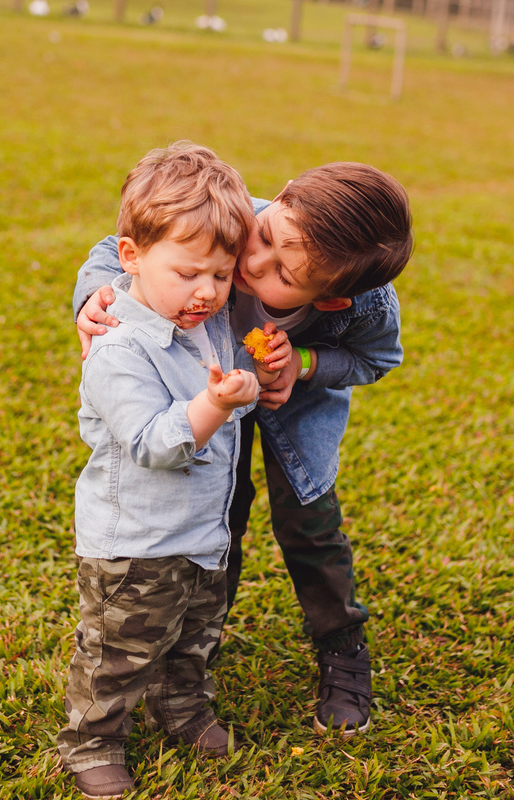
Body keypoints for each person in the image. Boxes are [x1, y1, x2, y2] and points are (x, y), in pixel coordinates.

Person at [74, 161, 413, 738]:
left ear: (329, 300)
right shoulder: (233, 216)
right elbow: (119, 246)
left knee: (310, 524)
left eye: (285, 271)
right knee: (216, 509)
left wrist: (305, 365)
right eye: (266, 240)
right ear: (279, 200)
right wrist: (90, 299)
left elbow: (376, 359)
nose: (254, 263)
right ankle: (195, 639)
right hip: (200, 399)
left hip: (291, 414)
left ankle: (341, 644)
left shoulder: (363, 302)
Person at [58, 142, 290, 799]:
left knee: (194, 635)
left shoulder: (207, 324)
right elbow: (153, 443)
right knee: (119, 653)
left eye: (220, 276)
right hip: (136, 544)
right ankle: (92, 740)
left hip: (201, 534)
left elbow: (232, 372)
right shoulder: (117, 348)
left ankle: (182, 704)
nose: (207, 292)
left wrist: (263, 369)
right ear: (129, 256)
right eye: (188, 273)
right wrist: (215, 404)